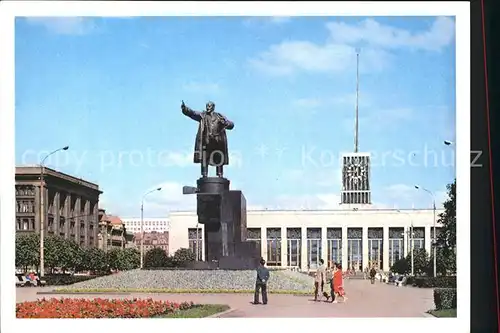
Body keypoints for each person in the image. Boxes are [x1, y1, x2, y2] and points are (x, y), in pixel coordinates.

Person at [181, 100, 234, 178]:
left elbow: (231, 125)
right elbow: (192, 113)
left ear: (213, 107)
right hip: (206, 140)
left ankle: (220, 174)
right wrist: (185, 109)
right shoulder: (203, 115)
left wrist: (226, 123)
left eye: (209, 106)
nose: (208, 107)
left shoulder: (219, 116)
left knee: (219, 157)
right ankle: (204, 174)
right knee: (204, 157)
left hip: (218, 141)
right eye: (207, 106)